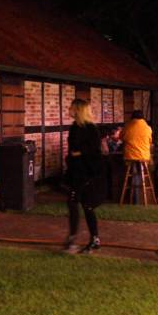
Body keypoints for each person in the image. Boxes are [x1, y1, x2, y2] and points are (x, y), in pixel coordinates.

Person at [63, 98, 105, 254]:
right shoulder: (74, 127)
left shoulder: (91, 129)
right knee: (72, 202)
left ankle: (94, 239)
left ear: (78, 110)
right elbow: (72, 149)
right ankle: (72, 238)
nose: (69, 110)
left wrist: (80, 153)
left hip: (88, 172)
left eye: (72, 107)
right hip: (76, 171)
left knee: (87, 205)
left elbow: (94, 150)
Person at [120, 110, 152, 203]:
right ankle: (139, 199)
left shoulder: (127, 127)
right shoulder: (148, 128)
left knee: (134, 173)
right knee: (138, 173)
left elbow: (121, 137)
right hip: (144, 156)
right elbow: (150, 141)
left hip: (130, 156)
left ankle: (135, 199)